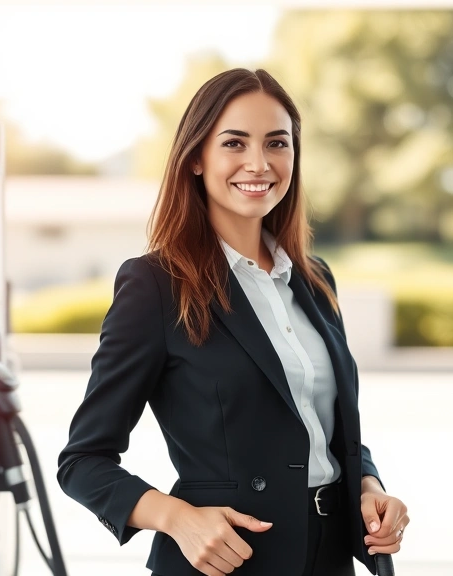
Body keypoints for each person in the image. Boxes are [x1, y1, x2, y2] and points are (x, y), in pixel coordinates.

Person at [57, 68, 410, 576]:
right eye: (234, 143)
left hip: (332, 558)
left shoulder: (314, 281)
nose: (259, 163)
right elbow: (83, 462)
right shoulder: (155, 285)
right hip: (227, 563)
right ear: (196, 158)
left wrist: (368, 486)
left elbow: (317, 426)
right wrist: (177, 519)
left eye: (277, 143)